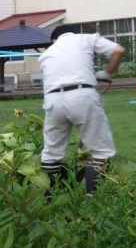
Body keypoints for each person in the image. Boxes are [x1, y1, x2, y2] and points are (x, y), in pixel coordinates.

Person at [38, 24, 125, 194]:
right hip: (82, 95)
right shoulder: (85, 38)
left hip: (53, 100)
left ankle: (57, 196)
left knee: (50, 156)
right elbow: (119, 51)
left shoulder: (47, 53)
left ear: (53, 40)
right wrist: (106, 74)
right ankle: (92, 198)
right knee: (101, 152)